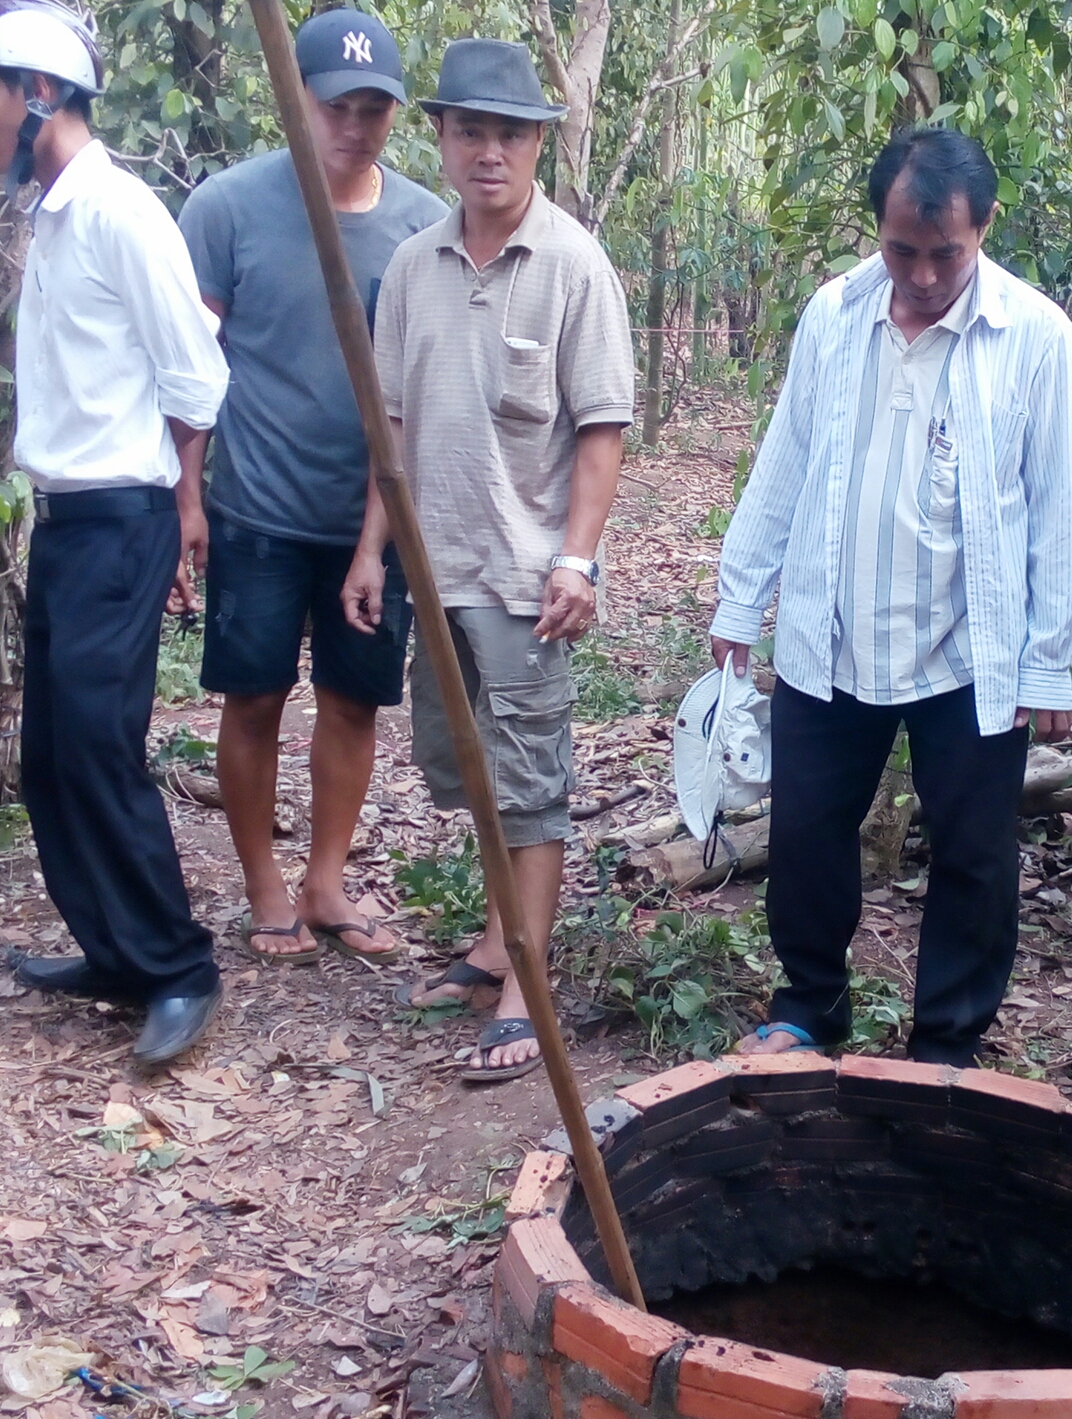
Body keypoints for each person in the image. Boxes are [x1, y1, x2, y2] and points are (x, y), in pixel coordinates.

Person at [710, 128, 1072, 1068]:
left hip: (968, 643)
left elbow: (1050, 505)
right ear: (876, 231)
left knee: (972, 850)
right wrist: (738, 596)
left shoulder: (1035, 334)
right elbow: (785, 455)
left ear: (984, 227)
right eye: (900, 251)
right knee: (806, 832)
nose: (920, 276)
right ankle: (809, 1007)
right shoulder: (834, 314)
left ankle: (947, 1041)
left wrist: (1048, 660)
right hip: (832, 632)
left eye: (943, 253)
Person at [342, 38, 633, 1083]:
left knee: (531, 783)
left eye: (509, 132)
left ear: (538, 142)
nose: (489, 152)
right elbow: (397, 427)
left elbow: (600, 431)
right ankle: (488, 942)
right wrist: (374, 554)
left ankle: (528, 979)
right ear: (444, 138)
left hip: (523, 579)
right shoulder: (414, 267)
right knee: (473, 776)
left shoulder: (572, 266)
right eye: (471, 130)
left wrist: (578, 562)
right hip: (437, 573)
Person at [179, 9, 448, 968]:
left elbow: (425, 382)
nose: (354, 125)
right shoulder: (228, 207)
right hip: (255, 505)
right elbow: (189, 369)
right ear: (297, 94)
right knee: (251, 698)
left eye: (375, 108)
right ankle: (262, 884)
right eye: (337, 104)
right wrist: (188, 497)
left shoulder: (423, 224)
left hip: (368, 519)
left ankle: (325, 877)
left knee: (352, 698)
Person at [1, 3, 230, 1061]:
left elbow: (196, 374)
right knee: (50, 753)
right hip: (63, 521)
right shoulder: (49, 214)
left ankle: (178, 966)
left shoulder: (118, 213)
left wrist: (182, 499)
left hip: (119, 520)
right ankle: (113, 949)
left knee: (99, 744)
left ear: (35, 96)